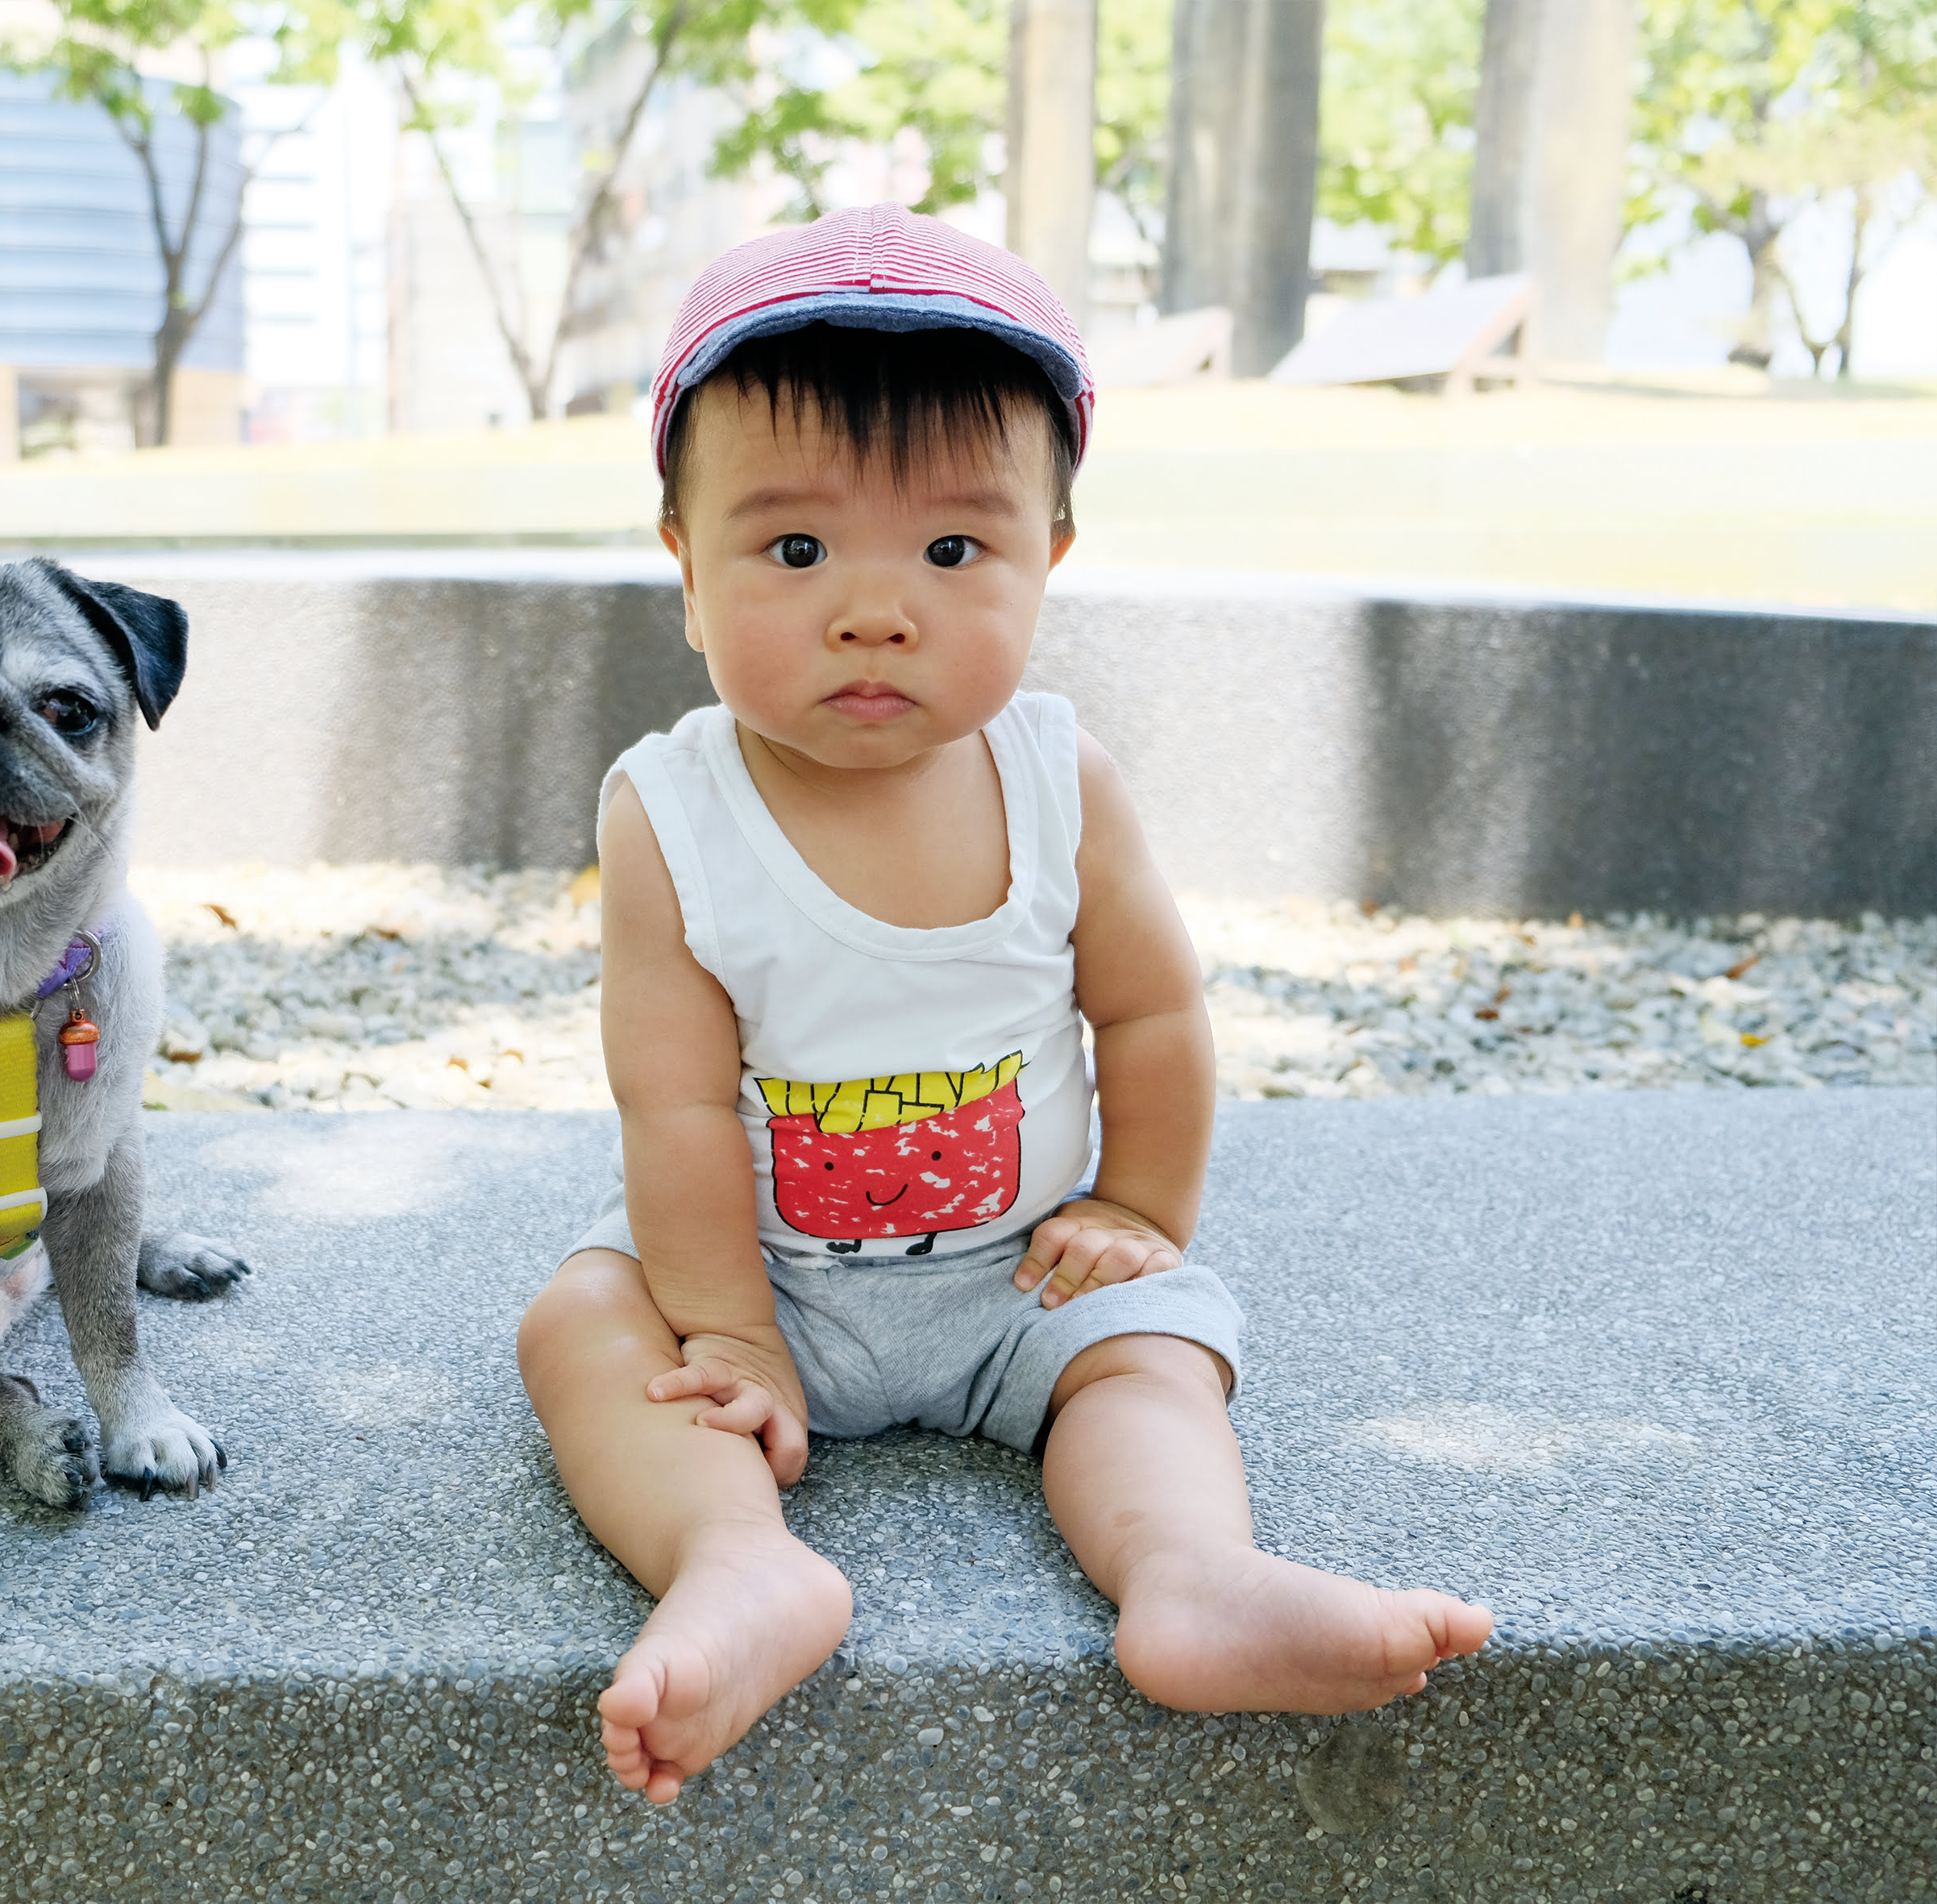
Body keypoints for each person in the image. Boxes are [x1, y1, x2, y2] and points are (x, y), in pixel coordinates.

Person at [517, 205, 1494, 1807]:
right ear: (683, 567)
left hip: (1020, 1275)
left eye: (953, 549)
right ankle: (738, 1559)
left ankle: (1188, 1571)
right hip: (772, 1291)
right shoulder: (667, 810)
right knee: (579, 1319)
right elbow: (675, 1103)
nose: (872, 607)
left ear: (1047, 561)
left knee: (1152, 1354)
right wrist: (729, 1326)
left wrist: (1131, 1205)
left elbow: (1153, 1014)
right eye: (794, 548)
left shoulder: (1057, 778)